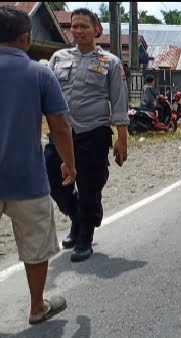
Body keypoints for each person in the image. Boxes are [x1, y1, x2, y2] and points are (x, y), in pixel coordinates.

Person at [0, 5, 76, 324]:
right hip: (27, 178)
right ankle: (36, 307)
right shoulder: (39, 72)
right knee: (36, 245)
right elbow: (59, 126)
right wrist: (69, 164)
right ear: (26, 37)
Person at [44, 8, 129, 263]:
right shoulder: (57, 58)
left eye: (84, 26)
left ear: (96, 30)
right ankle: (78, 218)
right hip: (61, 134)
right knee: (53, 182)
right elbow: (45, 91)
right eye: (74, 26)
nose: (78, 31)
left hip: (92, 133)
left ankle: (84, 238)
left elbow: (119, 101)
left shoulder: (110, 62)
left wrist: (121, 138)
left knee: (90, 187)